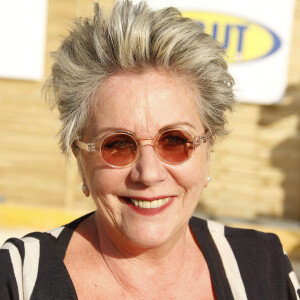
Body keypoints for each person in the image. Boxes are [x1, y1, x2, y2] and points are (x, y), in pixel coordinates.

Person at [1, 0, 299, 299]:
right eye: (117, 144)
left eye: (174, 141)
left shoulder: (264, 267)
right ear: (81, 159)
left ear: (208, 147)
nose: (148, 174)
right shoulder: (19, 280)